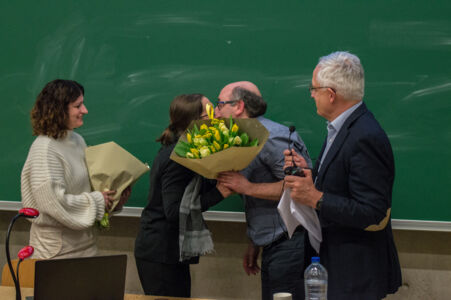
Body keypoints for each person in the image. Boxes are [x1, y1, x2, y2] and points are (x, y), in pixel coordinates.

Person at [284, 51, 402, 299]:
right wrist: (309, 175)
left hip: (355, 273)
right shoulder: (341, 127)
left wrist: (316, 198)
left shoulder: (365, 135)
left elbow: (372, 210)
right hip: (337, 264)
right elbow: (340, 181)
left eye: (314, 89)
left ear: (331, 94)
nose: (311, 95)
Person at [215, 82, 311, 300]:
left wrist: (247, 187)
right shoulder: (241, 136)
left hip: (289, 242)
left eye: (220, 104)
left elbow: (298, 184)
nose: (216, 112)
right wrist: (254, 241)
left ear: (239, 106)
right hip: (270, 241)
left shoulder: (271, 136)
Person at [134, 94, 231, 297]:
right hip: (160, 252)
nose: (218, 117)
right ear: (194, 122)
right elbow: (174, 211)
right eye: (211, 113)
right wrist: (219, 193)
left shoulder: (191, 151)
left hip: (169, 251)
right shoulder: (177, 157)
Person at [21, 79, 131, 259]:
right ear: (58, 109)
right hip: (57, 253)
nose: (85, 110)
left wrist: (113, 199)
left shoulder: (77, 140)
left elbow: (87, 191)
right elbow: (53, 204)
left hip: (85, 245)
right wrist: (98, 200)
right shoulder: (45, 148)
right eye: (77, 106)